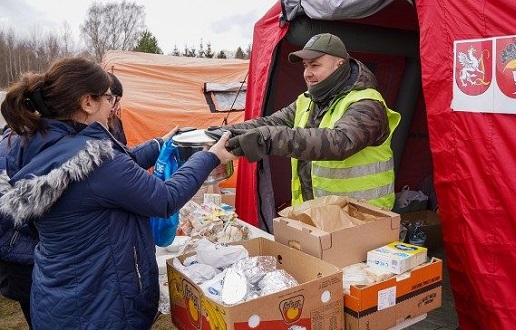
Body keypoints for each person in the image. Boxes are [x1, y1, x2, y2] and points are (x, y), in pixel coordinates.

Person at [0, 56, 235, 329]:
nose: (112, 107)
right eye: (109, 98)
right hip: (99, 306)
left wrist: (160, 144)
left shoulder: (41, 144)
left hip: (60, 298)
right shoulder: (95, 158)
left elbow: (115, 173)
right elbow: (164, 198)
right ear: (87, 102)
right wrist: (210, 158)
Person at [208, 33, 401, 210]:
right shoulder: (307, 100)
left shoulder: (367, 102)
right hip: (315, 215)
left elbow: (340, 142)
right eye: (305, 66)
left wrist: (266, 139)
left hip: (363, 218)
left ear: (339, 65)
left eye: (315, 65)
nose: (307, 73)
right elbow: (272, 123)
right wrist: (221, 132)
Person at [107, 72, 127, 144]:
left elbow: (124, 150)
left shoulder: (117, 122)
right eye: (110, 100)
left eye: (118, 101)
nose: (115, 108)